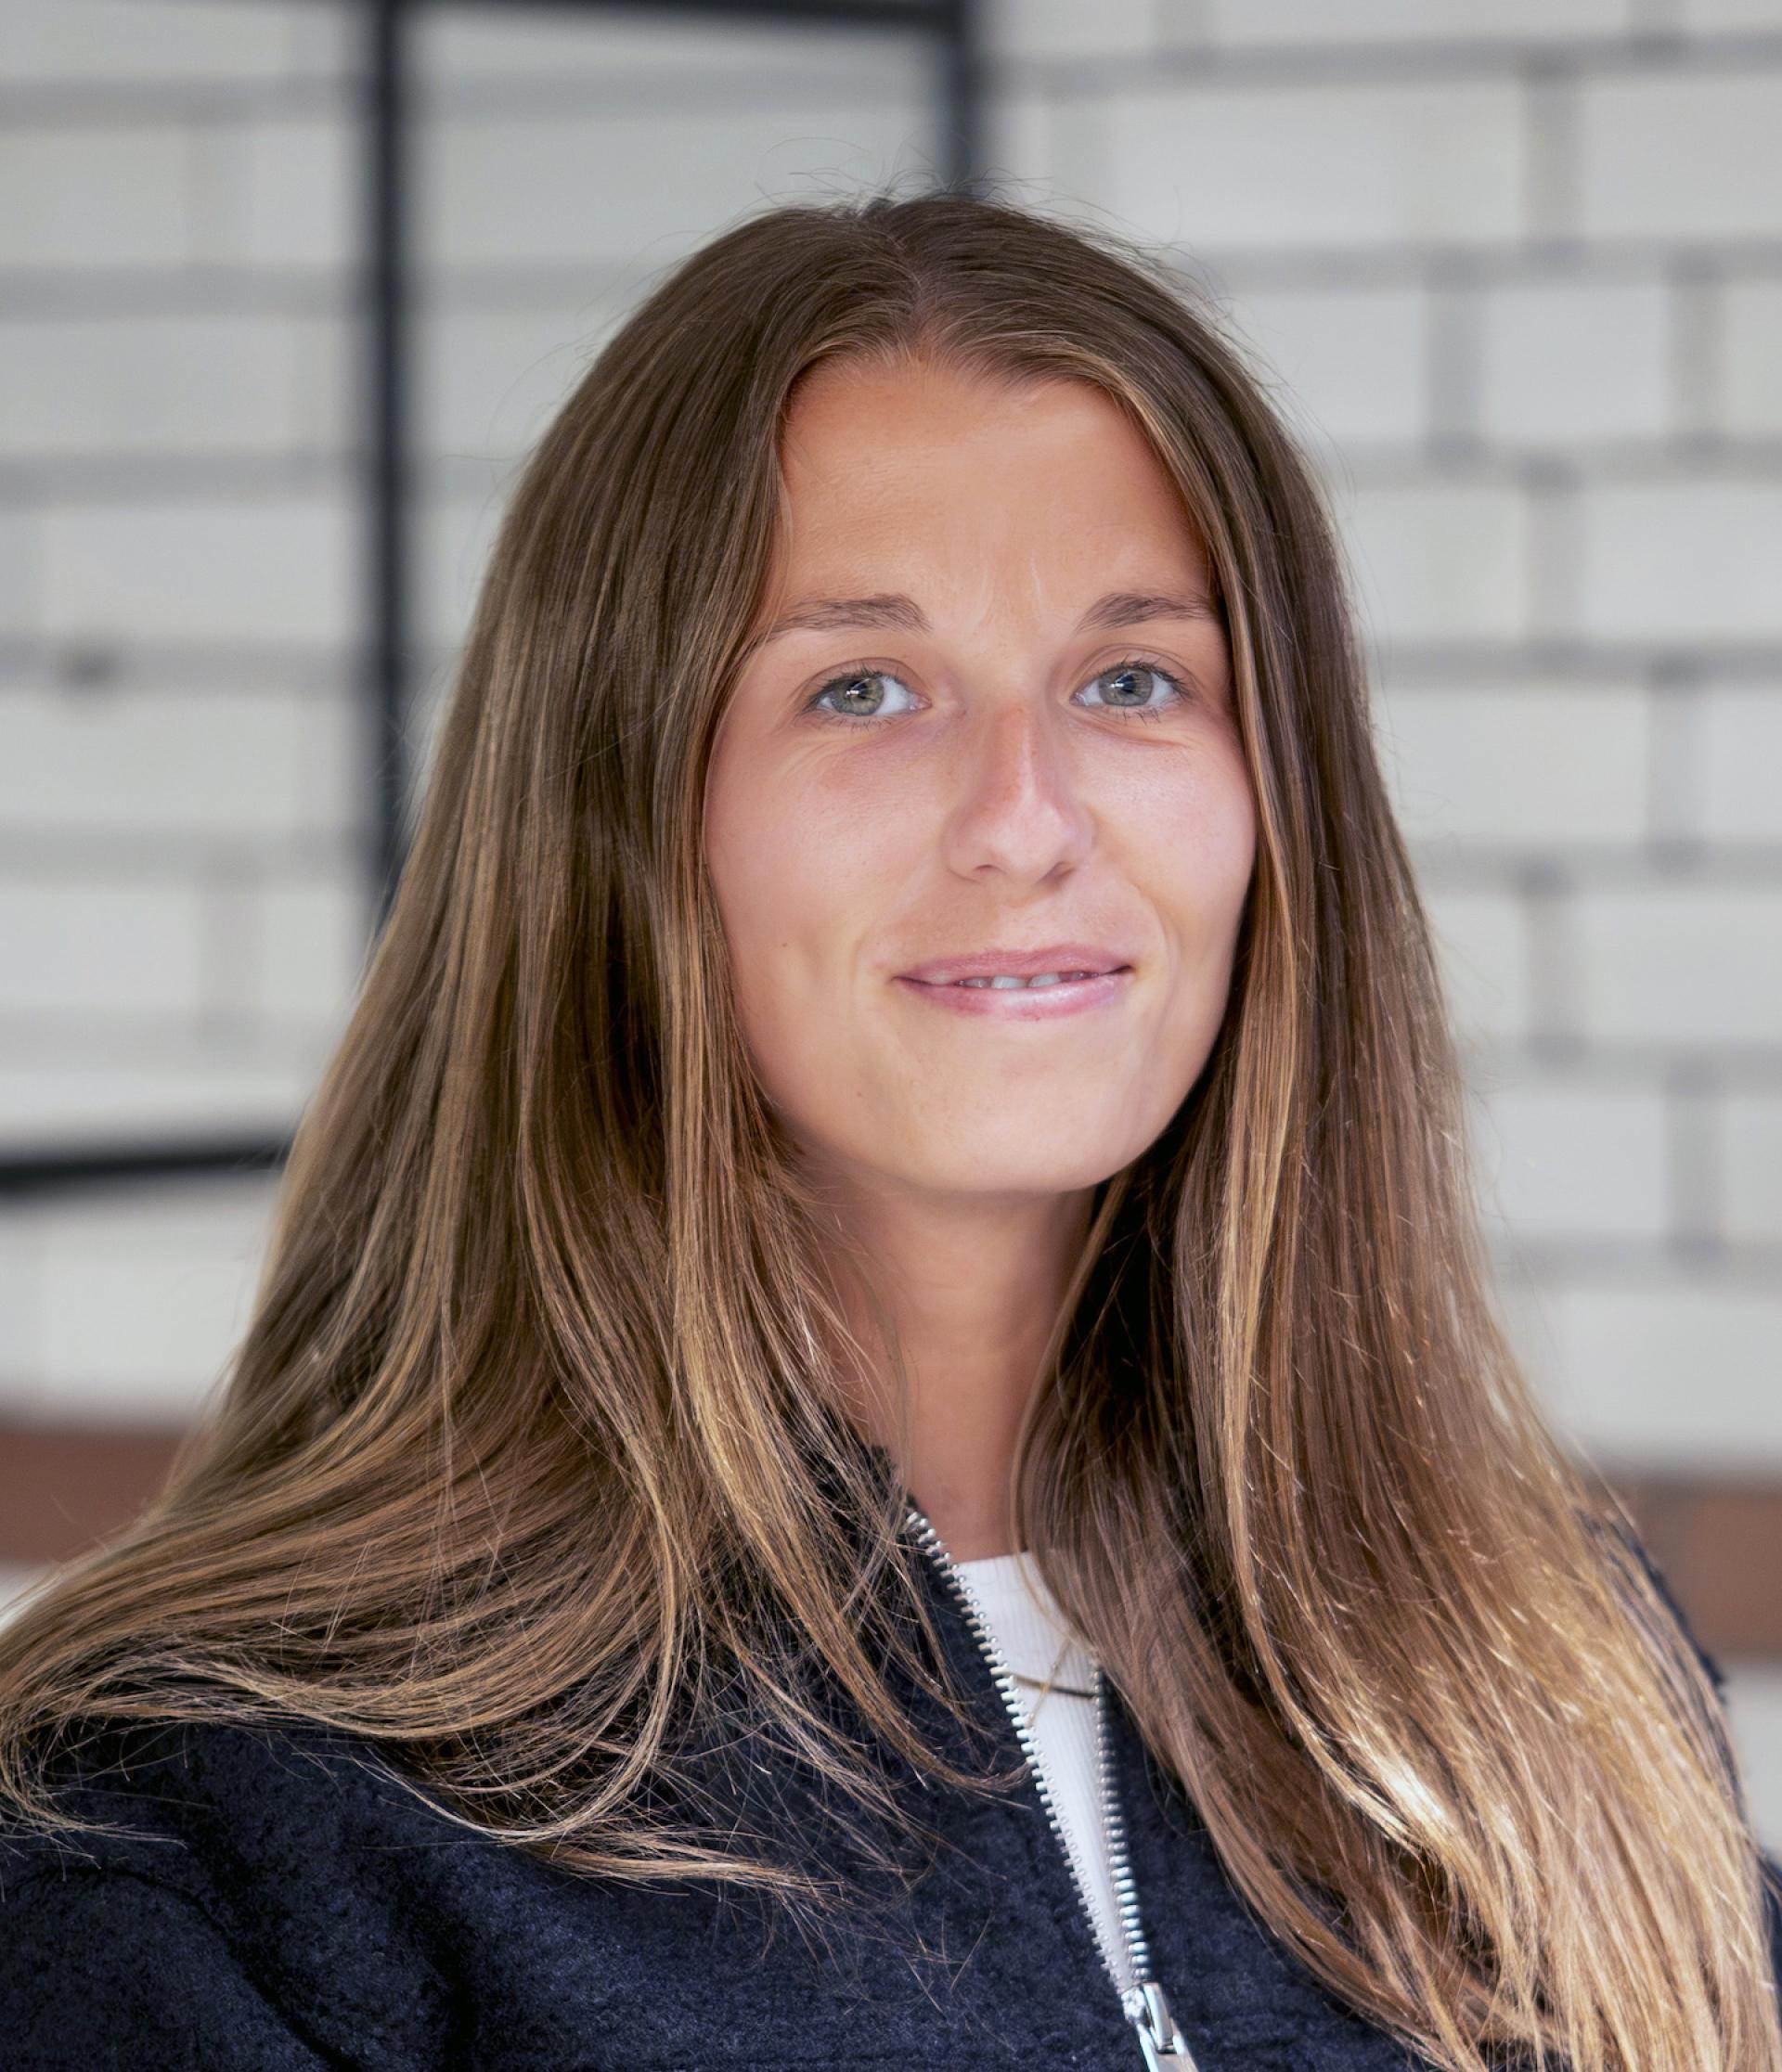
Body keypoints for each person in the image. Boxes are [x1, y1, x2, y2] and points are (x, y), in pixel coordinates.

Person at [1, 187, 1777, 2072]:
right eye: (864, 686)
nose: (1026, 816)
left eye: (1132, 680)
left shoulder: (1546, 1674)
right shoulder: (205, 1831)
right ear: (621, 813)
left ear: (1281, 807)